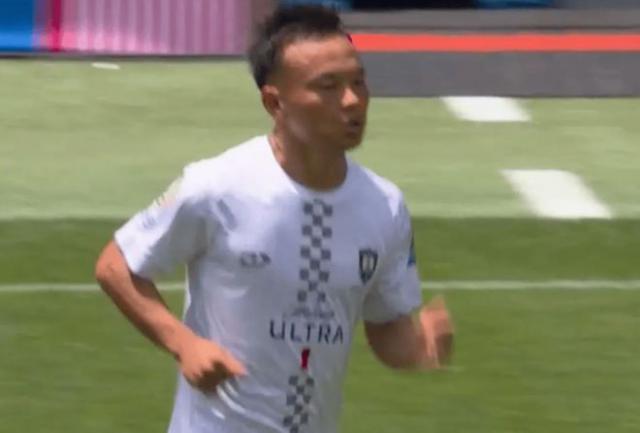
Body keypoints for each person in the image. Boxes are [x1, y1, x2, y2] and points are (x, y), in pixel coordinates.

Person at [95, 5, 453, 433]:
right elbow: (116, 266)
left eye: (358, 81)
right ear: (274, 102)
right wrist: (183, 343)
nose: (353, 100)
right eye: (329, 87)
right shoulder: (218, 186)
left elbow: (386, 328)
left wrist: (420, 346)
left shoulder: (385, 205)